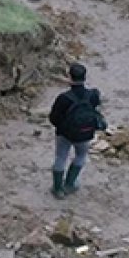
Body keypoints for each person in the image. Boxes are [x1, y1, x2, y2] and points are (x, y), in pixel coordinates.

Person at [48, 62, 106, 198]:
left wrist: (62, 127)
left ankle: (57, 189)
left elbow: (53, 118)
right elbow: (96, 109)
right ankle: (70, 184)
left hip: (65, 134)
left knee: (61, 157)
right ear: (85, 77)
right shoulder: (93, 95)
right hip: (85, 133)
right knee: (80, 156)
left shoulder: (63, 98)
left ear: (69, 77)